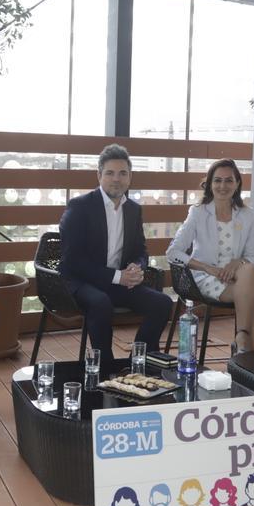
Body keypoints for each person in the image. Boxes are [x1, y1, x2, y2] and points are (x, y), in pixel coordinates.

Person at [59, 144, 172, 363]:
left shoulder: (133, 210)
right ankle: (106, 367)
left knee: (162, 303)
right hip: (81, 281)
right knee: (101, 303)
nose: (116, 179)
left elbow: (140, 250)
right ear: (99, 175)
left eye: (123, 173)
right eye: (110, 173)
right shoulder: (80, 207)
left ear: (130, 177)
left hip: (116, 282)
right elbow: (73, 261)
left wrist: (137, 267)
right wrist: (119, 276)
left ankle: (136, 363)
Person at [166, 159, 254, 352]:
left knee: (249, 269)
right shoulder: (198, 213)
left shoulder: (246, 214)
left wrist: (237, 262)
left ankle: (243, 340)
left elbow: (253, 255)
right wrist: (207, 267)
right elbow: (172, 253)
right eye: (217, 180)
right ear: (210, 184)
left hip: (239, 276)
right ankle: (251, 350)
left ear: (237, 184)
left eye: (228, 180)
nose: (223, 186)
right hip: (206, 276)